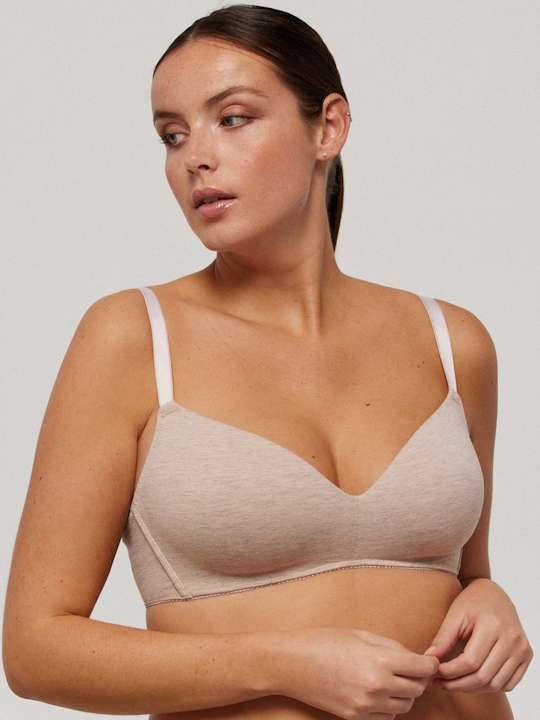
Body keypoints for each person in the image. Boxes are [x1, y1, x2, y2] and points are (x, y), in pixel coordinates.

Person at [2, 5, 532, 719]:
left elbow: (464, 575)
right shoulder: (132, 338)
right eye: (172, 134)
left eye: (233, 118)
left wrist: (489, 599)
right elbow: (35, 651)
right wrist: (282, 663)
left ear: (328, 128)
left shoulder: (453, 342)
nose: (195, 157)